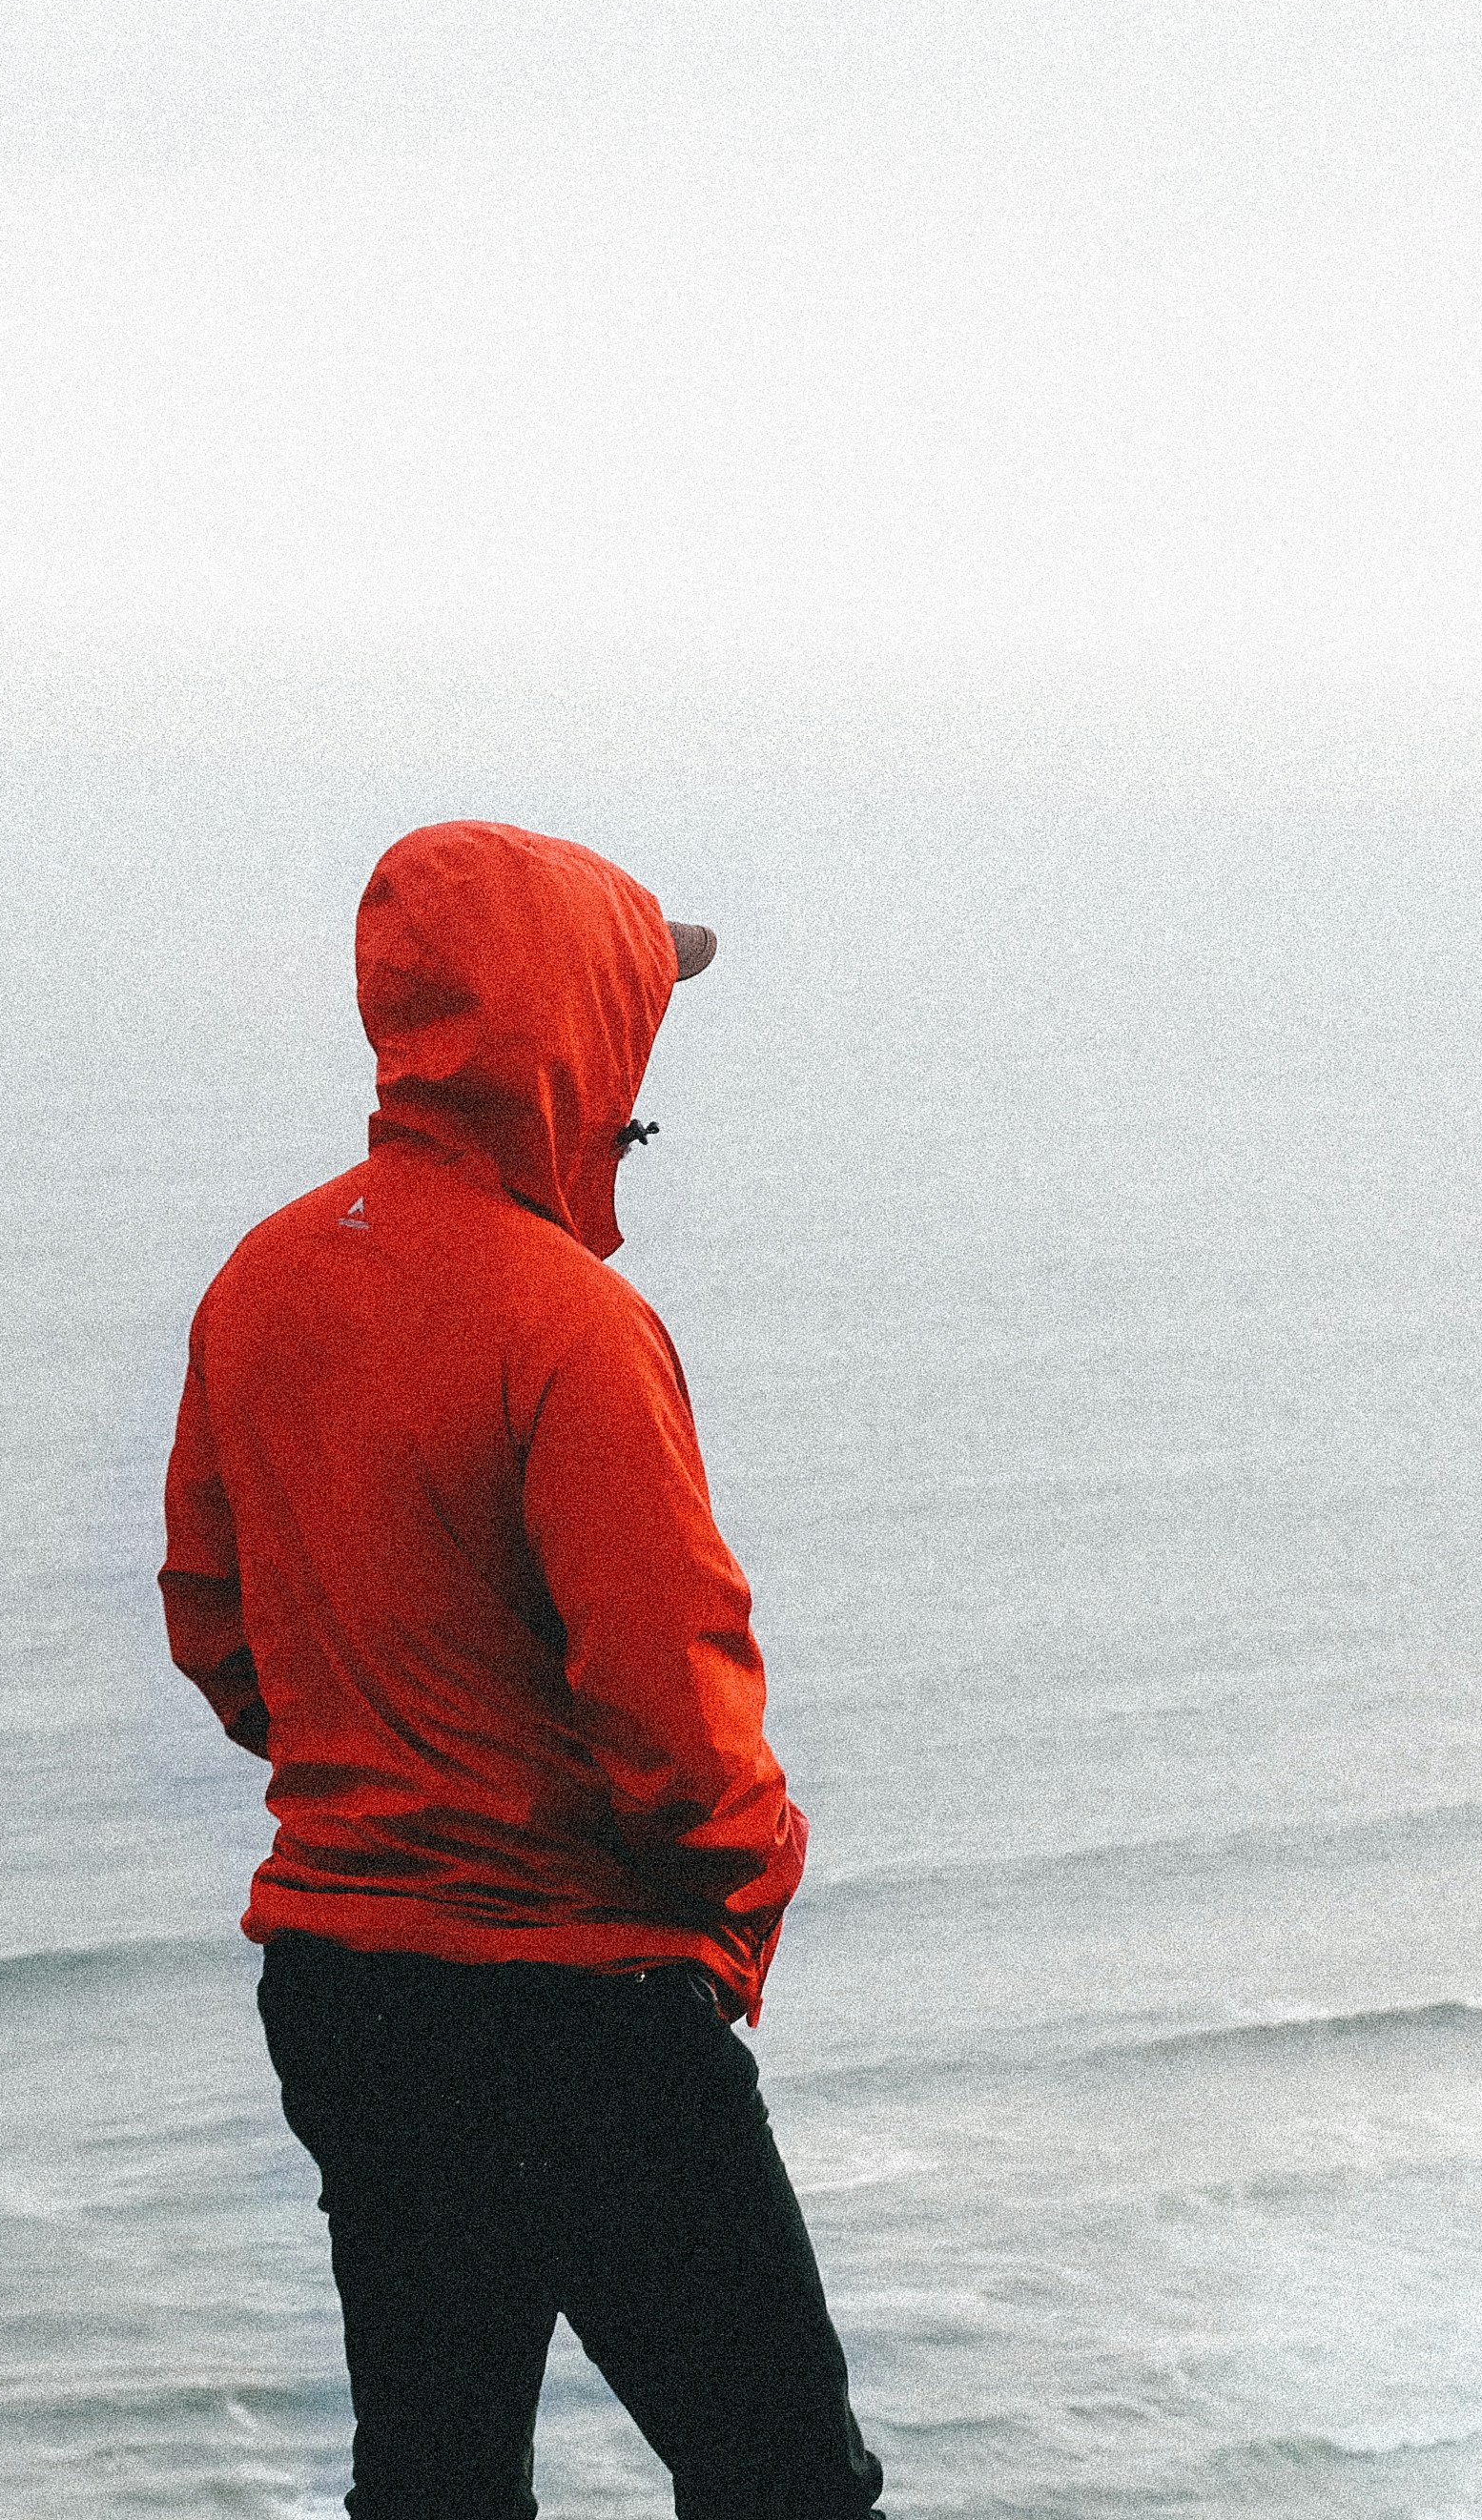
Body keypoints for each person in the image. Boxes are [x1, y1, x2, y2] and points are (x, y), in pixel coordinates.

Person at [159, 819, 885, 2520]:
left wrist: (378, 1762)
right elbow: (670, 1708)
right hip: (578, 2006)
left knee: (436, 2481)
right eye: (638, 1015)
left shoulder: (260, 1283)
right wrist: (756, 1865)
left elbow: (214, 1620)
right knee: (786, 2484)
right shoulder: (570, 1324)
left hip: (345, 1983)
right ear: (576, 1037)